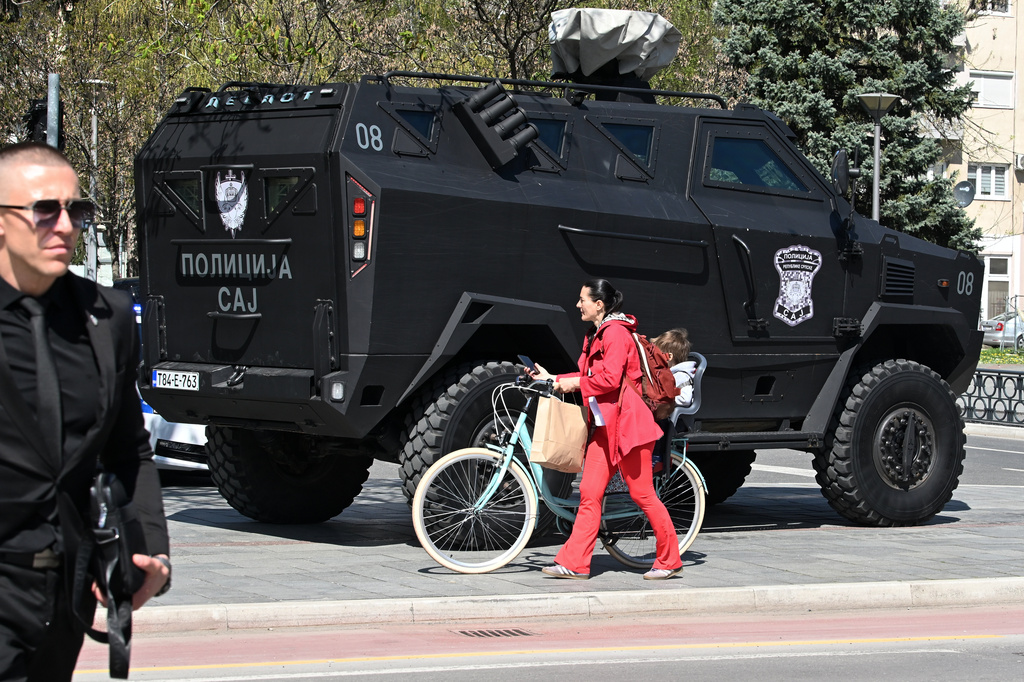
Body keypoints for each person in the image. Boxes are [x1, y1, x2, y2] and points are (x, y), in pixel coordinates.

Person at [0, 142, 170, 681]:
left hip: (64, 597)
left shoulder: (108, 316)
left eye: (77, 210)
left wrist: (151, 552)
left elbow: (128, 449)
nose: (65, 225)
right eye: (44, 209)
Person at [528, 279, 683, 580]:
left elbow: (610, 380)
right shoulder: (596, 334)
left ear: (599, 304)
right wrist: (553, 377)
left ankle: (669, 559)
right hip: (605, 427)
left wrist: (571, 383)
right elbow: (590, 375)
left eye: (582, 299)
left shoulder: (615, 334)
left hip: (629, 428)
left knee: (643, 495)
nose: (578, 304)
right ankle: (575, 563)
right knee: (589, 493)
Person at [651, 328, 696, 408]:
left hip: (674, 418)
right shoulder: (668, 374)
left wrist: (661, 399)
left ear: (669, 357)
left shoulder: (681, 376)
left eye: (656, 355)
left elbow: (685, 399)